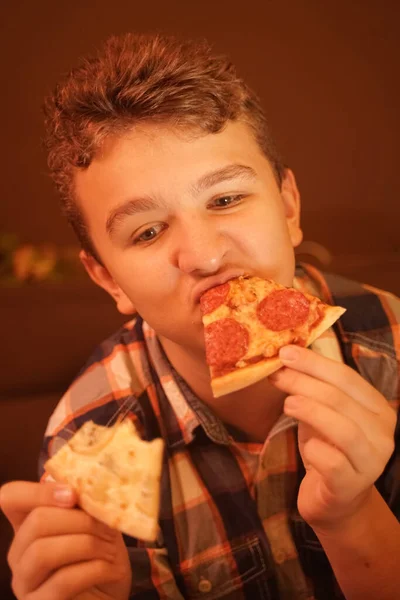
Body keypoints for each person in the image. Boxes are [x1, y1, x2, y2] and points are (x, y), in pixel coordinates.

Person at [0, 33, 399, 600]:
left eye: (226, 199)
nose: (206, 257)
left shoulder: (395, 349)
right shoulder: (88, 437)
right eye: (147, 231)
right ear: (108, 279)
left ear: (288, 209)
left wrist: (353, 514)